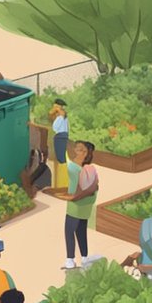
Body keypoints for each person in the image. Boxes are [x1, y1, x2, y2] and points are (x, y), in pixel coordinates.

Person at [56, 140, 99, 270]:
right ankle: (84, 258)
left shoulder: (74, 167)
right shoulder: (88, 168)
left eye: (80, 149)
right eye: (77, 148)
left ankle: (70, 260)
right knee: (81, 231)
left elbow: (63, 161)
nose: (76, 151)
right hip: (86, 203)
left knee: (69, 231)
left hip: (76, 203)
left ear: (85, 153)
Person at [49, 99, 69, 189]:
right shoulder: (62, 116)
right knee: (62, 158)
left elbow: (55, 127)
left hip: (60, 137)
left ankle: (63, 183)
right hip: (63, 136)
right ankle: (63, 183)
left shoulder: (61, 116)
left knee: (61, 159)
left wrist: (56, 114)